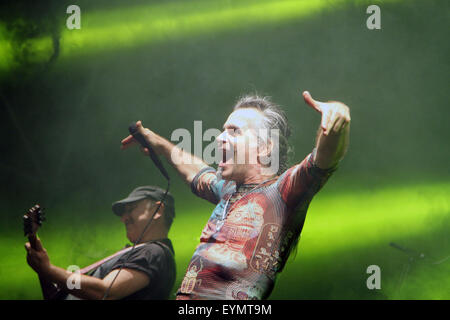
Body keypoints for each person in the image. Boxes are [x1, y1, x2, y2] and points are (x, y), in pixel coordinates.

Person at [121, 90, 350, 299]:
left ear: (264, 148)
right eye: (223, 130)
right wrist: (158, 143)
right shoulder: (228, 190)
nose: (220, 137)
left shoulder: (281, 193)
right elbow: (196, 172)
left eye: (234, 131)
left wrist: (337, 120)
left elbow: (321, 162)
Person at [25, 186, 176, 300]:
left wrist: (49, 270)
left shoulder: (154, 252)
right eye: (124, 213)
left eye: (131, 209)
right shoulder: (141, 253)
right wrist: (43, 272)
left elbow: (105, 291)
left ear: (157, 210)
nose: (123, 218)